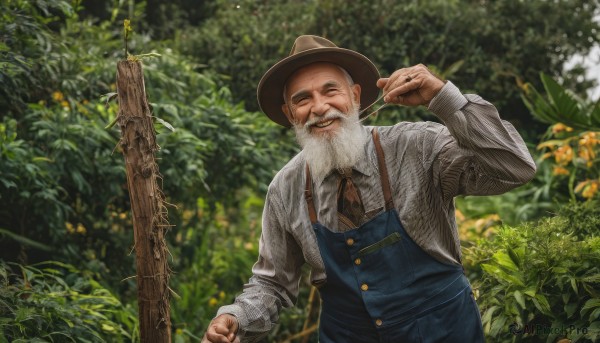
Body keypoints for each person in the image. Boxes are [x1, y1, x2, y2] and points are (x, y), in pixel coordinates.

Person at [202, 35, 536, 343]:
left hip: (444, 330)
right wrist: (235, 316)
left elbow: (514, 168)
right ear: (290, 114)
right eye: (302, 99)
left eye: (330, 91)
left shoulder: (415, 146)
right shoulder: (285, 188)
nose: (318, 107)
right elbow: (273, 282)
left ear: (356, 96)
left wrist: (442, 97)